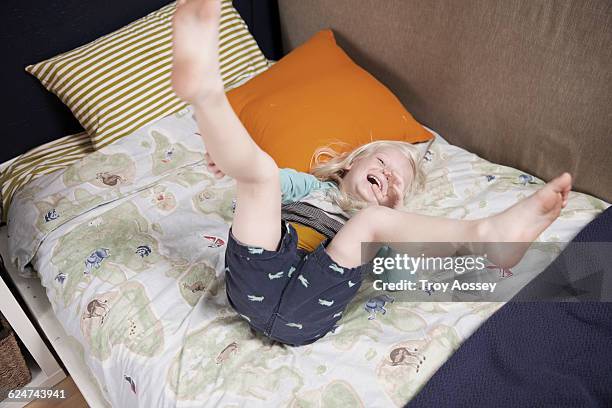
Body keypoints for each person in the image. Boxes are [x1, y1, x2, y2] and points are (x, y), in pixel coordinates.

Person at [170, 0, 572, 346]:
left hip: (308, 313)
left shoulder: (376, 230)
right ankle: (206, 94)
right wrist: (231, 160)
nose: (388, 177)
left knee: (371, 223)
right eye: (381, 163)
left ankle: (486, 238)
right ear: (348, 164)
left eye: (396, 184)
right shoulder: (310, 186)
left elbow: (405, 266)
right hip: (257, 279)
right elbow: (262, 185)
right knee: (261, 175)